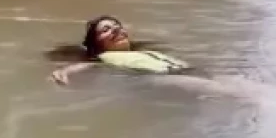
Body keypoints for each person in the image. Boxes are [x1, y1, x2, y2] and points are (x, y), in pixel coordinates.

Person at [49, 16, 188, 85]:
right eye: (106, 30)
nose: (116, 29)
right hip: (168, 80)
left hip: (185, 73)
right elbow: (88, 64)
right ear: (96, 45)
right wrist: (63, 72)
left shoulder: (144, 53)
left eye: (117, 27)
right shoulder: (103, 58)